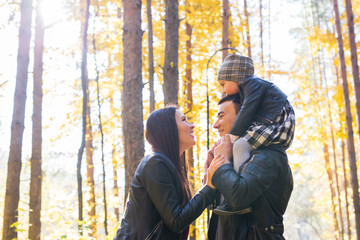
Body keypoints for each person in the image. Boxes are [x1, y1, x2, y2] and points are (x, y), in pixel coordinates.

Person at [114, 106, 219, 240]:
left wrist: (207, 177)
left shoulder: (169, 165)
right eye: (184, 120)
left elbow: (183, 213)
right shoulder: (155, 163)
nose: (192, 125)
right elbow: (176, 221)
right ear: (168, 129)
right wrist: (208, 186)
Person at [214, 53, 295, 214]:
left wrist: (233, 136)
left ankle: (237, 180)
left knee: (240, 145)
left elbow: (247, 111)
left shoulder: (252, 85)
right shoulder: (252, 87)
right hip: (271, 122)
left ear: (235, 77)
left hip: (277, 123)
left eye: (223, 84)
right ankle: (237, 180)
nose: (223, 91)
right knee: (240, 145)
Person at [206, 94, 294, 239]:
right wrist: (210, 171)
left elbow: (238, 198)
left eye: (221, 116)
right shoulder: (233, 157)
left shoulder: (268, 155)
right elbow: (215, 207)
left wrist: (223, 163)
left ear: (244, 117)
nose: (215, 124)